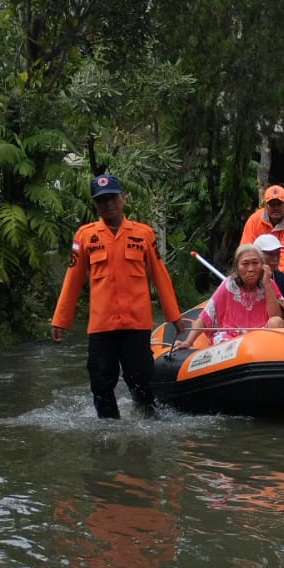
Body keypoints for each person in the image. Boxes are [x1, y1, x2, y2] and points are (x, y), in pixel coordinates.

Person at [51, 174, 188, 419]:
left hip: (136, 323)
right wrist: (60, 320)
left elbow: (160, 275)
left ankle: (145, 422)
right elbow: (72, 280)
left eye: (113, 198)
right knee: (101, 381)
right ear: (95, 205)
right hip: (101, 325)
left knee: (142, 378)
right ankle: (108, 432)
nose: (108, 204)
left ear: (123, 198)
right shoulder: (85, 236)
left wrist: (173, 316)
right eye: (102, 200)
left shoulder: (143, 234)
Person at [176, 244, 284, 346]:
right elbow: (206, 316)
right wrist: (188, 341)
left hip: (261, 335)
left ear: (263, 266)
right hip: (231, 336)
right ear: (237, 267)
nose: (251, 269)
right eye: (245, 264)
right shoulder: (228, 285)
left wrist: (267, 284)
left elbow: (276, 316)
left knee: (276, 321)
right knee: (223, 341)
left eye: (255, 263)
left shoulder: (269, 282)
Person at [241, 185, 284, 280]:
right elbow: (245, 251)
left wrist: (280, 281)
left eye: (279, 204)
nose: (276, 208)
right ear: (265, 205)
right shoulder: (254, 220)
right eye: (272, 204)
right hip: (257, 275)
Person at [251, 233, 284, 308]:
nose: (275, 259)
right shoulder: (245, 280)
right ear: (257, 255)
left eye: (277, 254)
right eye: (270, 254)